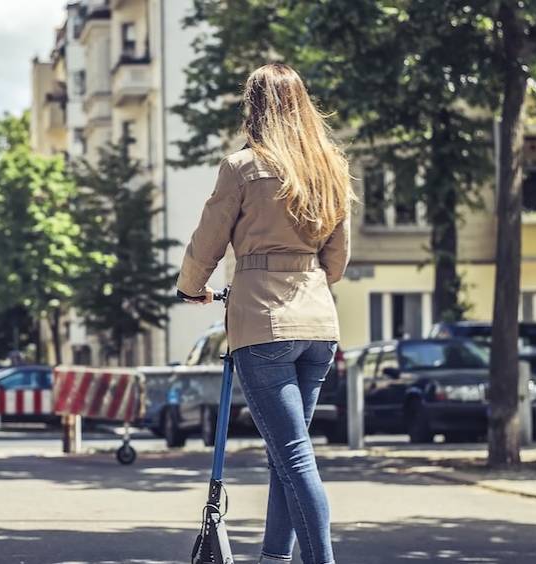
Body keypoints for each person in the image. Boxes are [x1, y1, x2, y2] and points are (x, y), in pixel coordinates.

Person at [176, 63, 354, 564]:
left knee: (293, 456)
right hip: (318, 324)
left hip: (262, 321)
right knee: (286, 455)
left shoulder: (241, 167)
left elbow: (208, 240)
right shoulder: (331, 167)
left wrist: (191, 288)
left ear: (253, 107)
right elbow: (337, 263)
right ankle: (274, 559)